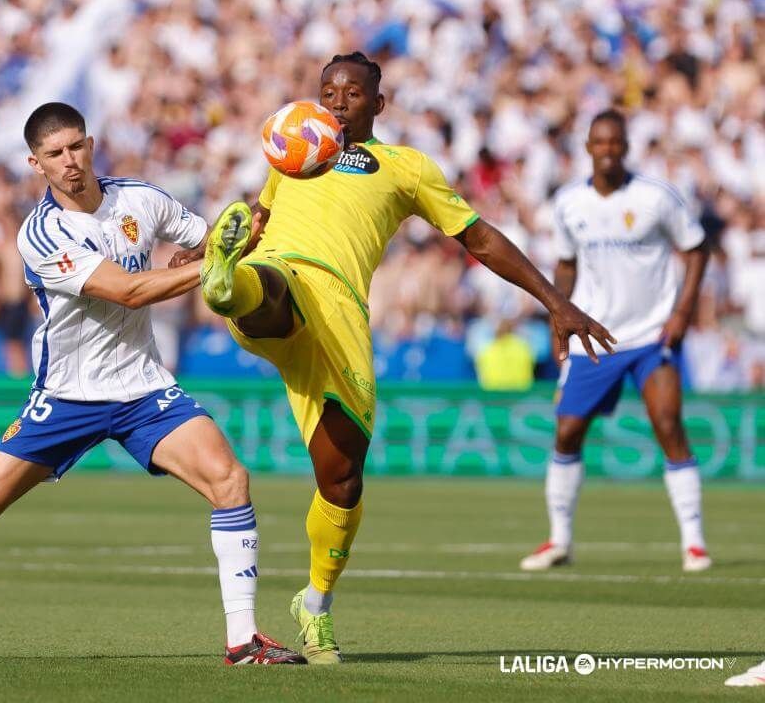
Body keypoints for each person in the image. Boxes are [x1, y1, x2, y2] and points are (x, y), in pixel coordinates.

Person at [0, 102, 304, 666]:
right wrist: (213, 263)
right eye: (54, 154)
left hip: (143, 388)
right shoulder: (41, 234)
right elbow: (130, 291)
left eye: (76, 147)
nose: (69, 162)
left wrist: (221, 240)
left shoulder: (141, 198)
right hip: (67, 396)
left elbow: (207, 237)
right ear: (35, 163)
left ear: (91, 144)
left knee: (230, 479)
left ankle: (242, 641)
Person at [179, 51, 615, 664]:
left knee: (343, 479)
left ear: (377, 104)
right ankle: (229, 286)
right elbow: (259, 220)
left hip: (343, 313)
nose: (335, 102)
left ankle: (316, 605)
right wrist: (207, 254)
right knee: (271, 286)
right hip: (283, 277)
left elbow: (479, 237)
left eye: (351, 94)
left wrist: (554, 301)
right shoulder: (294, 150)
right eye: (328, 90)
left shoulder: (405, 168)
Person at [520, 109, 711, 574]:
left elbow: (697, 249)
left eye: (616, 143)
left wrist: (683, 312)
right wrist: (558, 313)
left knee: (668, 423)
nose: (608, 151)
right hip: (595, 335)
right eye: (600, 143)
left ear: (627, 147)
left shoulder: (656, 197)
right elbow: (566, 265)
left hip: (651, 333)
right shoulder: (568, 203)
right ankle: (559, 539)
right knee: (567, 431)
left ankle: (694, 542)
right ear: (588, 148)